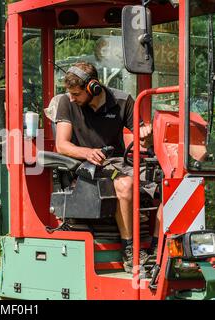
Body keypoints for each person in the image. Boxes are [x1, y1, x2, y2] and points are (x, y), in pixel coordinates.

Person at [54, 62, 157, 273]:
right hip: (85, 164)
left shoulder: (122, 101)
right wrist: (87, 152)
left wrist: (147, 138)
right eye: (70, 94)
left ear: (94, 87)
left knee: (165, 182)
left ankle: (156, 246)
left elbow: (141, 136)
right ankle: (130, 251)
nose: (72, 98)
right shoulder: (66, 102)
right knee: (126, 184)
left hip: (118, 161)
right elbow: (62, 145)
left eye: (77, 94)